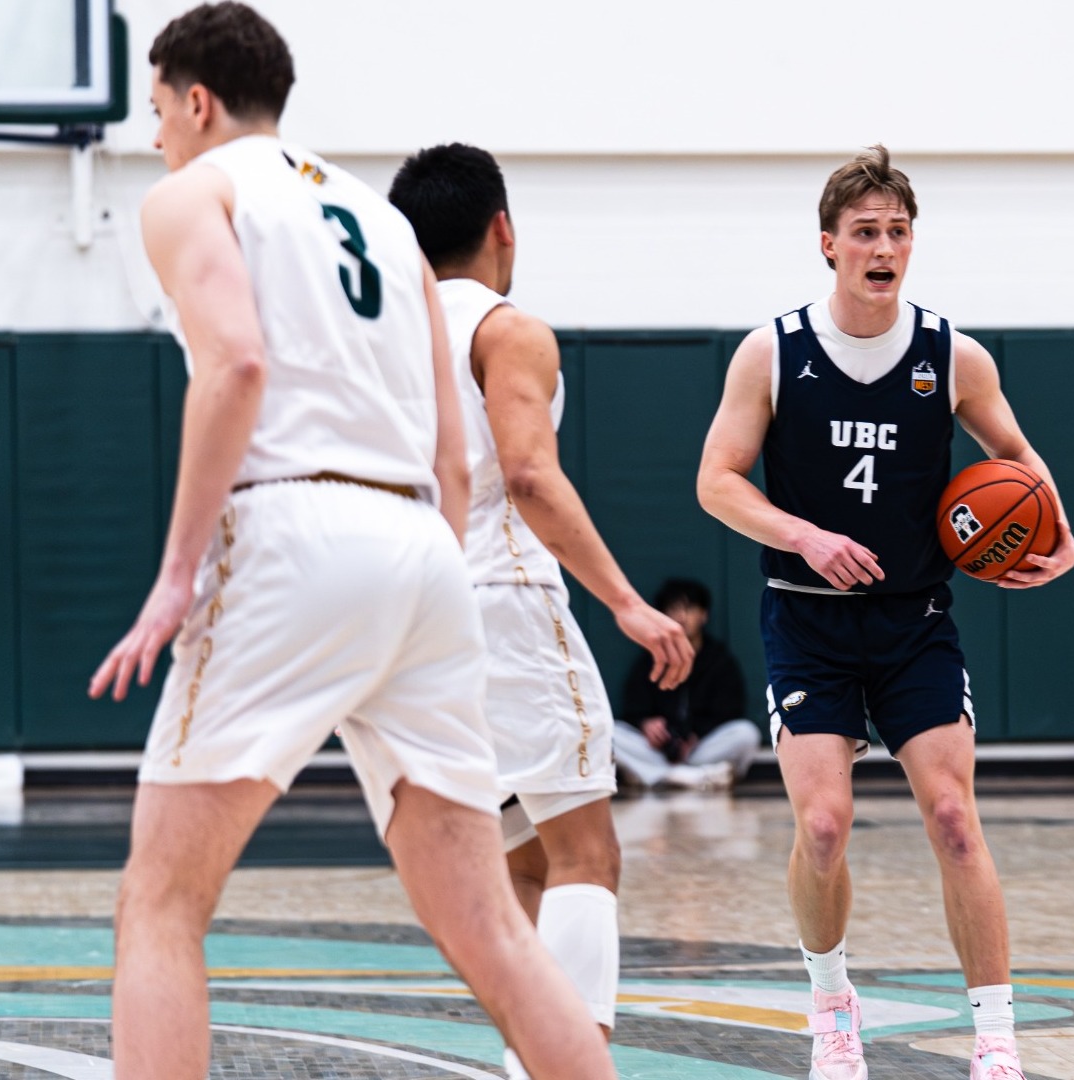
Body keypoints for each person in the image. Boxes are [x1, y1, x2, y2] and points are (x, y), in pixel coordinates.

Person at [86, 6, 611, 1078]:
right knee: (500, 937)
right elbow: (452, 452)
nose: (154, 139)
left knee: (160, 906)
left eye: (155, 113)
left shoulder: (193, 193)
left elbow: (234, 366)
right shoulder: (381, 220)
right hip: (424, 547)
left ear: (196, 100)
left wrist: (176, 575)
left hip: (291, 528)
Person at [697, 145, 1074, 1080]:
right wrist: (803, 536)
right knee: (822, 829)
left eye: (897, 232)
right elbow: (716, 482)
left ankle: (995, 1037)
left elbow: (1019, 458)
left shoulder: (953, 355)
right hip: (808, 618)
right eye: (864, 232)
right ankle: (832, 1006)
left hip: (914, 622)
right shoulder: (772, 351)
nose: (883, 247)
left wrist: (1060, 536)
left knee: (953, 819)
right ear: (828, 245)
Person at [387, 142, 694, 1078]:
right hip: (503, 601)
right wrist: (630, 605)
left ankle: (530, 1063)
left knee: (522, 860)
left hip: (404, 617)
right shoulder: (508, 329)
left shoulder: (381, 334)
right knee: (589, 854)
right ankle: (573, 1066)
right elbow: (527, 473)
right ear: (502, 229)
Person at [615, 578, 763, 790]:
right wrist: (646, 724)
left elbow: (730, 711)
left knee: (746, 733)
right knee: (611, 732)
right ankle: (691, 777)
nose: (681, 616)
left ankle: (664, 776)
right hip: (658, 751)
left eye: (689, 609)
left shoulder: (719, 660)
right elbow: (634, 709)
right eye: (673, 609)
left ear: (704, 615)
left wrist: (695, 736)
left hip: (700, 748)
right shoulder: (650, 658)